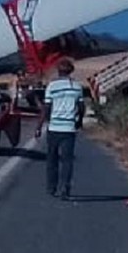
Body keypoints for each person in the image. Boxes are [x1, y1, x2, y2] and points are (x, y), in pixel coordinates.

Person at [35, 59, 84, 200]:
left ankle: (52, 187)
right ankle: (65, 188)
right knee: (67, 160)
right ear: (71, 71)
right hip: (69, 128)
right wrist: (79, 121)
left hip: (54, 127)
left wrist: (39, 126)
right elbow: (81, 107)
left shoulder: (52, 86)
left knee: (52, 159)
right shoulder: (77, 87)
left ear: (58, 70)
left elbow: (46, 108)